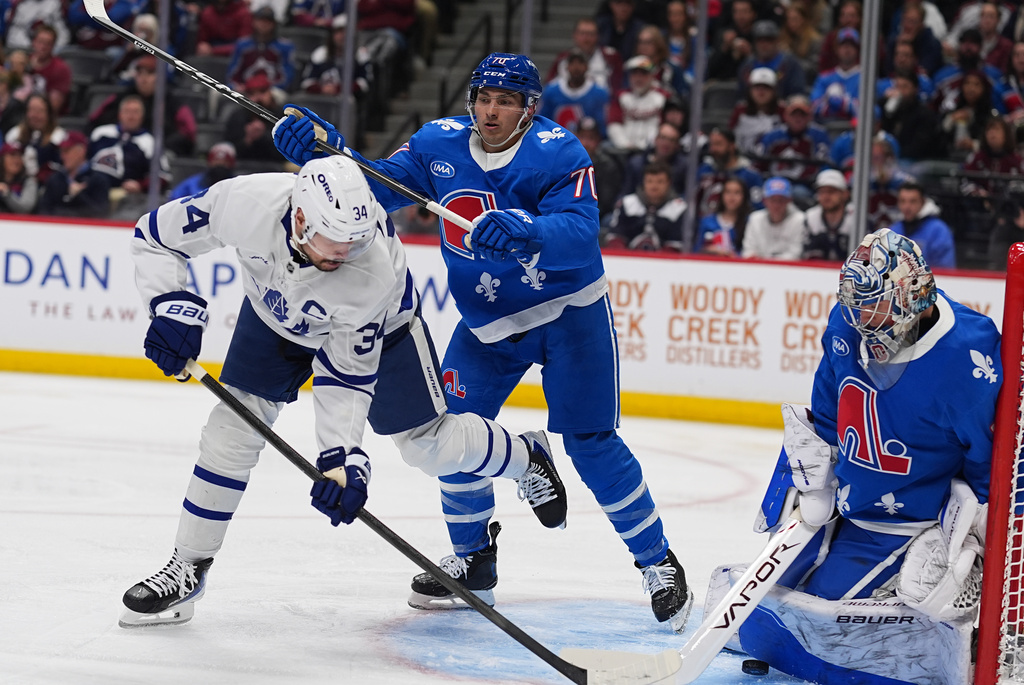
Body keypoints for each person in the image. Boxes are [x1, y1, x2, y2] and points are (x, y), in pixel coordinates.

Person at [271, 52, 693, 630]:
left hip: (569, 316)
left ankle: (658, 562)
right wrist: (330, 155)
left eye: (507, 101)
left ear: (529, 108)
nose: (492, 111)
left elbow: (581, 233)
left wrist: (529, 230)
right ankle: (473, 560)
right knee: (452, 436)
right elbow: (379, 191)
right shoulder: (436, 144)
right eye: (485, 99)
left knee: (592, 443)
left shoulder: (559, 151)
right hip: (489, 327)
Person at [118, 155, 568, 628]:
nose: (340, 258)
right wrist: (169, 304)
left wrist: (341, 461)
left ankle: (524, 455)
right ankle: (189, 566)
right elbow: (155, 237)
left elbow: (344, 379)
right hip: (273, 320)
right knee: (230, 433)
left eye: (351, 247)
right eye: (331, 247)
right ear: (298, 218)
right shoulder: (244, 201)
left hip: (386, 331)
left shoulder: (370, 273)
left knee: (428, 447)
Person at [708, 228, 1000, 683]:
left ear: (913, 295)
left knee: (842, 613)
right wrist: (814, 478)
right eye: (856, 303)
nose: (862, 317)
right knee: (779, 595)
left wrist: (976, 534)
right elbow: (825, 407)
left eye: (875, 305)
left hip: (908, 521)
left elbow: (989, 467)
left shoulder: (967, 357)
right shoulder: (845, 323)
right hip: (845, 497)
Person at [605, 160, 687, 252]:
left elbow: (675, 245)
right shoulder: (627, 203)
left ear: (669, 183)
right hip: (628, 260)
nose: (654, 186)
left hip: (663, 263)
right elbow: (615, 237)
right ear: (643, 182)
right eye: (649, 181)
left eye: (660, 182)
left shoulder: (678, 208)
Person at [37, 130, 110, 218]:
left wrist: (79, 196)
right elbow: (44, 210)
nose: (62, 156)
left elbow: (101, 214)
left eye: (67, 151)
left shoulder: (98, 179)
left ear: (81, 151)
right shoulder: (55, 179)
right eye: (61, 152)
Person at [537, 47, 611, 135]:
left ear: (587, 66)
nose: (576, 67)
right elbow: (543, 122)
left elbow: (602, 127)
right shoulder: (551, 91)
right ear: (567, 67)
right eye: (572, 63)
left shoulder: (599, 93)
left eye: (580, 63)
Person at [607, 55, 670, 154]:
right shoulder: (621, 97)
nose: (639, 78)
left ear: (651, 76)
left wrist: (651, 145)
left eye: (644, 74)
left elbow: (666, 127)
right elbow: (614, 125)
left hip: (653, 150)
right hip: (624, 149)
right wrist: (624, 144)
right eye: (634, 74)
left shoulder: (664, 97)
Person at [890, 181, 957, 269]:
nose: (907, 207)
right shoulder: (893, 230)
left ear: (923, 202)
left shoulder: (938, 231)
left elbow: (945, 269)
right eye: (903, 201)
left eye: (912, 201)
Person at [741, 176, 805, 260]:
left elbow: (796, 254)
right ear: (764, 201)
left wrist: (766, 261)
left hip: (788, 270)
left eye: (781, 200)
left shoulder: (799, 220)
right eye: (772, 200)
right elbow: (748, 251)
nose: (776, 205)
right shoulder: (755, 219)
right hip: (758, 269)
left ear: (789, 200)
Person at [728, 66, 784, 155]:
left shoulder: (782, 111)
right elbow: (730, 137)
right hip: (744, 158)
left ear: (774, 91)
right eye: (757, 87)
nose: (761, 92)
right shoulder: (740, 110)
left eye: (766, 87)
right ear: (750, 90)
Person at [802, 168, 855, 261]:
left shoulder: (856, 218)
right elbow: (808, 255)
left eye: (831, 191)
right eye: (822, 192)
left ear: (845, 194)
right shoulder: (811, 217)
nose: (826, 196)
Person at [694, 175, 750, 256]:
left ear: (744, 196)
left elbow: (749, 253)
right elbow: (696, 251)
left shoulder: (749, 223)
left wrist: (732, 255)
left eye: (737, 193)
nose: (732, 197)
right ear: (722, 195)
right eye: (728, 192)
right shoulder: (707, 221)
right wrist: (708, 250)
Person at [167, 141, 236, 201]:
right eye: (216, 162)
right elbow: (174, 200)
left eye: (224, 163)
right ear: (209, 163)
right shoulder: (191, 184)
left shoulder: (237, 185)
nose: (219, 165)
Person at [0, 141, 38, 214]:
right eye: (12, 155)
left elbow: (26, 208)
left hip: (19, 224)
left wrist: (6, 194)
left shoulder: (28, 181)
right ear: (2, 158)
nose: (16, 160)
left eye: (19, 156)